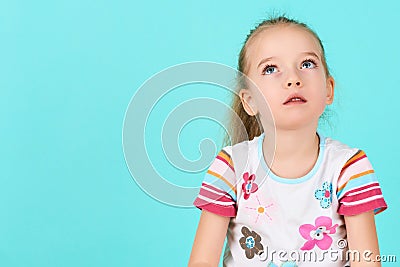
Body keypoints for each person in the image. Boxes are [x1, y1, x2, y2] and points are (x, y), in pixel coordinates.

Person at [188, 16, 387, 267]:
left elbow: (366, 262)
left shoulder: (349, 167)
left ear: (328, 90)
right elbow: (201, 262)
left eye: (307, 63)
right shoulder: (231, 167)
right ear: (249, 101)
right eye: (271, 69)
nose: (293, 78)